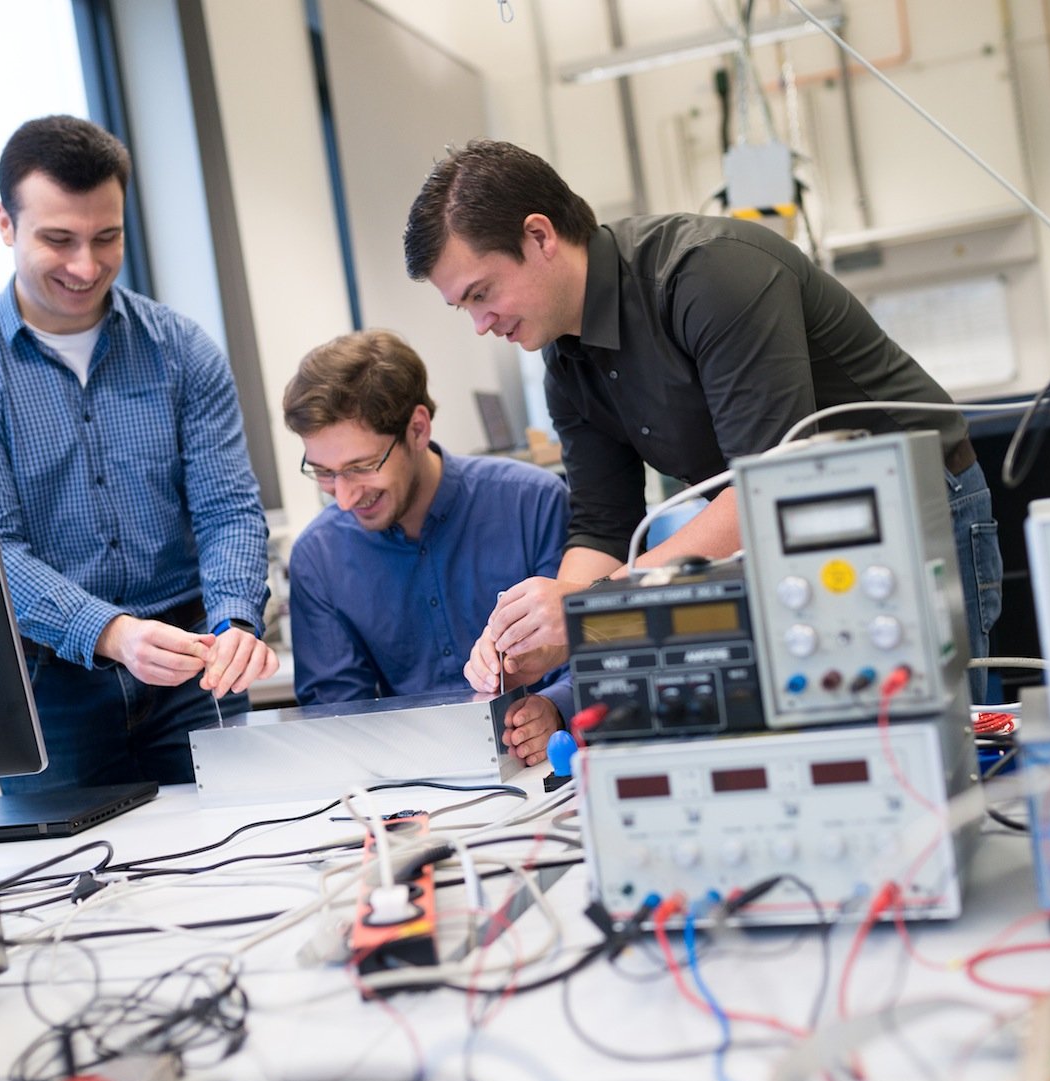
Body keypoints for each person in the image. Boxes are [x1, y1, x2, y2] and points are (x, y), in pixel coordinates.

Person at [403, 138, 1001, 706]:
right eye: (464, 308)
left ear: (539, 236)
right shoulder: (564, 357)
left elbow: (769, 490)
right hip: (780, 528)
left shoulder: (709, 275)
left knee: (936, 738)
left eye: (482, 294)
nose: (481, 323)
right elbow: (605, 525)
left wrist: (591, 606)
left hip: (910, 508)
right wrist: (548, 629)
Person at [0, 115, 278, 794]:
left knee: (238, 852)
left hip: (192, 671)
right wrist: (110, 632)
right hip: (49, 691)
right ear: (4, 223)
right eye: (58, 239)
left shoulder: (183, 350)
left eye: (106, 238)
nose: (86, 266)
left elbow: (227, 507)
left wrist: (233, 618)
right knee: (70, 886)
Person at [282, 329, 572, 765]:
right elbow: (338, 719)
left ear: (417, 429)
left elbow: (600, 647)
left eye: (360, 467)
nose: (342, 497)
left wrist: (555, 708)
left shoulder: (533, 503)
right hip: (407, 787)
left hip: (547, 769)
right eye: (324, 472)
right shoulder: (317, 558)